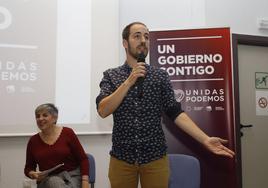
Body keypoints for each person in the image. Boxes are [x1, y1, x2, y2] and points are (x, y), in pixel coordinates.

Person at [96, 22, 235, 188]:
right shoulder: (111, 75)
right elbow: (103, 110)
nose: (143, 40)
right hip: (121, 158)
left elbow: (175, 112)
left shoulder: (160, 76)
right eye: (137, 36)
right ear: (125, 43)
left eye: (146, 37)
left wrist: (205, 139)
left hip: (155, 158)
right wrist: (129, 81)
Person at [24, 103, 90, 188]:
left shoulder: (67, 133)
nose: (40, 119)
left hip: (71, 177)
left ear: (54, 118)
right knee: (54, 182)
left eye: (45, 115)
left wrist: (85, 182)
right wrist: (33, 174)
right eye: (37, 116)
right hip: (47, 181)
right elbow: (28, 168)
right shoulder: (33, 141)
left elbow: (83, 159)